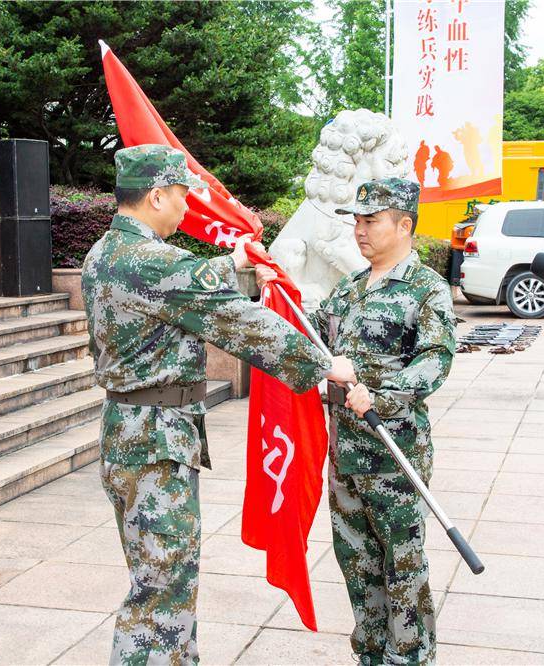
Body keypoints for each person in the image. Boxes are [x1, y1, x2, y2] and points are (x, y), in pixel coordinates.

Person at [82, 144, 356, 665]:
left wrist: (238, 267)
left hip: (130, 432)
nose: (188, 209)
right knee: (161, 591)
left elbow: (183, 287)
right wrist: (324, 366)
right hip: (156, 441)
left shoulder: (107, 254)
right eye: (183, 196)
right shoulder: (152, 261)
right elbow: (240, 323)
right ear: (157, 195)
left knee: (163, 577)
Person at [257, 177, 456, 665]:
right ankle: (369, 655)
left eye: (371, 221)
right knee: (357, 566)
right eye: (357, 222)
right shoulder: (349, 289)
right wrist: (274, 291)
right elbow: (312, 335)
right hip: (345, 455)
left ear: (404, 225)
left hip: (395, 455)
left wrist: (382, 397)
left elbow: (435, 360)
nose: (360, 231)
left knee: (401, 569)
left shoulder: (424, 288)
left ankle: (409, 658)